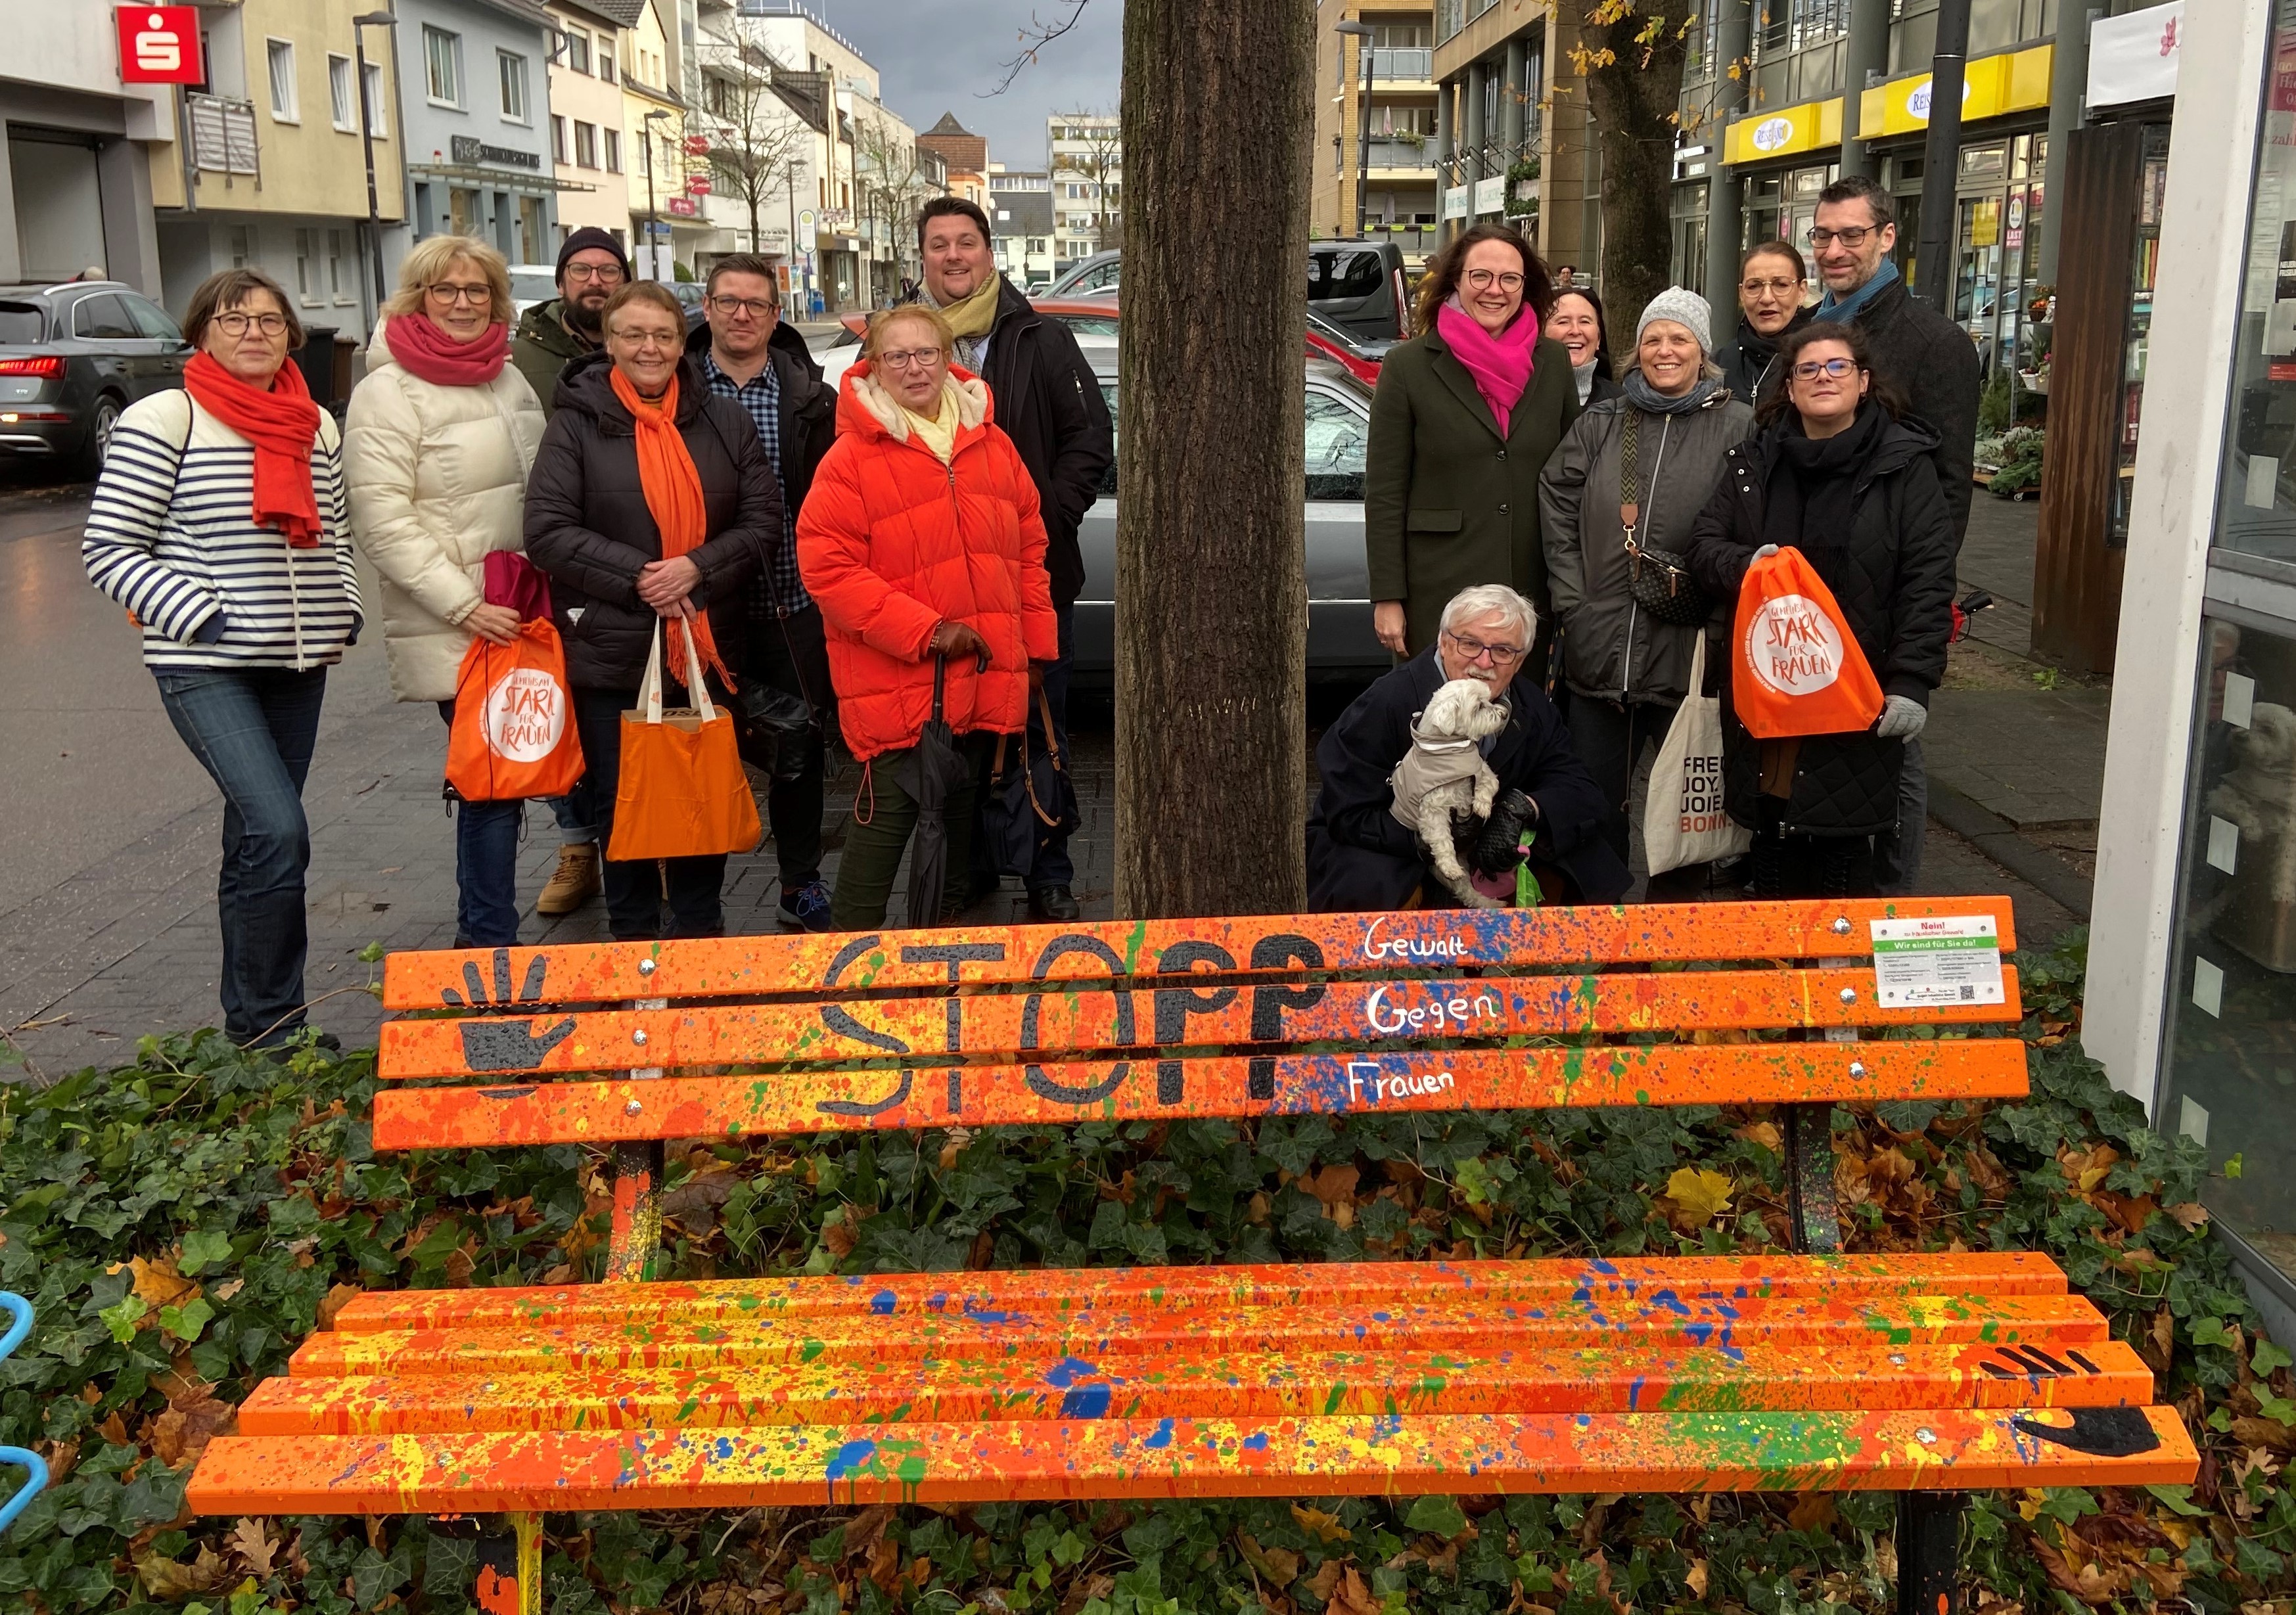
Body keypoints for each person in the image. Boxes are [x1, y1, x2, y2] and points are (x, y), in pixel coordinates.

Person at [81, 269, 361, 1050]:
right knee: (279, 829)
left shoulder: (314, 423)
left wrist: (345, 607)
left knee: (257, 841)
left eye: (269, 321)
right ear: (202, 332)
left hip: (299, 664)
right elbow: (109, 547)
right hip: (204, 663)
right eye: (234, 320)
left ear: (291, 336)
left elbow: (336, 532)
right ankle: (271, 1027)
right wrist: (202, 614)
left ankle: (262, 1024)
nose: (253, 334)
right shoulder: (164, 419)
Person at [523, 281, 780, 940]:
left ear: (682, 343)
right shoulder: (575, 424)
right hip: (613, 652)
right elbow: (547, 531)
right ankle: (633, 943)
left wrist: (697, 567)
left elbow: (762, 521)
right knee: (624, 805)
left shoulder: (725, 422)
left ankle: (699, 938)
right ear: (609, 342)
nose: (649, 348)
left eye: (663, 335)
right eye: (633, 334)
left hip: (704, 647)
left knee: (700, 797)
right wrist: (641, 576)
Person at [797, 304, 1059, 931]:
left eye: (927, 353)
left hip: (984, 674)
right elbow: (828, 571)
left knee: (957, 830)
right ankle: (847, 963)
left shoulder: (992, 445)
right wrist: (927, 631)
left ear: (948, 360)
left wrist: (1036, 653)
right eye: (897, 356)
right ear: (874, 366)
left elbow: (1030, 554)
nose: (914, 368)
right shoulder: (850, 459)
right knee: (885, 826)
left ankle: (939, 955)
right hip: (900, 679)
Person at [1684, 323, 1956, 899]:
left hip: (1860, 687)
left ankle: (1839, 951)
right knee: (1773, 827)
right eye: (1808, 369)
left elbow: (1928, 582)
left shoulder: (1904, 467)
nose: (1823, 378)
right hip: (1771, 686)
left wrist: (1912, 681)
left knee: (1843, 840)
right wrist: (1745, 564)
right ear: (1789, 386)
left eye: (1838, 367)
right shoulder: (1754, 463)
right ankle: (1778, 947)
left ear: (1864, 382)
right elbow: (1704, 545)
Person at [344, 236, 559, 948]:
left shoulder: (506, 378)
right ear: (418, 298)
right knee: (490, 782)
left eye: (477, 290)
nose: (463, 303)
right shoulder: (387, 392)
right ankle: (487, 946)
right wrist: (464, 605)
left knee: (516, 772)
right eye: (446, 290)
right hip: (463, 620)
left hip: (522, 611)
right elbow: (381, 518)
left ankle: (496, 930)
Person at [912, 196, 1112, 922]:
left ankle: (1046, 872)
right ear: (923, 257)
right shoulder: (905, 343)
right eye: (939, 244)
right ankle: (968, 866)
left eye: (966, 242)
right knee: (955, 730)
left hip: (1031, 575)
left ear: (989, 253)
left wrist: (1046, 521)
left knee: (1037, 723)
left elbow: (1089, 439)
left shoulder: (1040, 337)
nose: (953, 255)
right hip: (937, 581)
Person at [1539, 286, 1755, 901]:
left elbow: (1750, 525)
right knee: (1594, 801)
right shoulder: (1604, 422)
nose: (1665, 350)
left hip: (1689, 651)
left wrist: (1721, 620)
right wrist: (1573, 598)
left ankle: (1670, 925)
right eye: (1653, 338)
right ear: (1637, 350)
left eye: (1679, 338)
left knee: (1682, 805)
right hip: (1599, 646)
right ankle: (1598, 921)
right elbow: (1556, 498)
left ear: (1702, 351)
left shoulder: (1740, 425)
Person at [1807, 174, 1983, 894]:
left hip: (1881, 593)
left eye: (1851, 235)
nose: (1834, 250)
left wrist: (1918, 604)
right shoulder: (1812, 330)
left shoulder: (1934, 342)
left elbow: (1948, 491)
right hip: (1810, 583)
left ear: (1886, 237)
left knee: (1891, 749)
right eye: (1823, 235)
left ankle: (1889, 907)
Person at [1306, 584, 1626, 911]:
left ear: (1519, 661)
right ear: (1444, 643)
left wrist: (1524, 808)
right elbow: (1345, 811)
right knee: (1368, 880)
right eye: (1470, 644)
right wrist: (1425, 840)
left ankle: (1591, 941)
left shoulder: (1532, 706)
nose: (1484, 662)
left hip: (1492, 843)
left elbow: (1579, 789)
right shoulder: (1387, 701)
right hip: (1396, 841)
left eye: (1503, 650)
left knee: (1586, 860)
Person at [689, 252, 839, 932]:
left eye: (756, 304)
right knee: (701, 751)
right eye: (729, 301)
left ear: (776, 316)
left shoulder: (809, 395)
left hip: (792, 603)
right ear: (708, 308)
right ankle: (698, 899)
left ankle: (799, 882)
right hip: (704, 608)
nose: (742, 314)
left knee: (797, 750)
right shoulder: (680, 389)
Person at [1365, 222, 1579, 673]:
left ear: (1525, 286)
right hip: (1436, 591)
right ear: (1456, 280)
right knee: (1436, 712)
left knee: (1519, 715)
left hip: (1529, 589)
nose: (1494, 290)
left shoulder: (1553, 362)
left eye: (1509, 279)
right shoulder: (1407, 367)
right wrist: (1388, 596)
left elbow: (1572, 479)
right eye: (1480, 276)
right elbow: (1385, 492)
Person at [511, 227, 629, 417]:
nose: (595, 281)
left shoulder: (650, 356)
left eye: (608, 271)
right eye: (581, 270)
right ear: (561, 284)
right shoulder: (517, 361)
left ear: (625, 284)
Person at [1718, 241, 1812, 409]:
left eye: (1781, 285)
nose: (1767, 298)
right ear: (1741, 294)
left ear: (1802, 291)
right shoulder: (1719, 365)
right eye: (1754, 286)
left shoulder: (1819, 362)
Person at [1550, 287, 1619, 407]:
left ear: (1598, 339)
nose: (1575, 331)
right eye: (1563, 322)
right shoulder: (1521, 398)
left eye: (1585, 321)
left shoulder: (1622, 404)